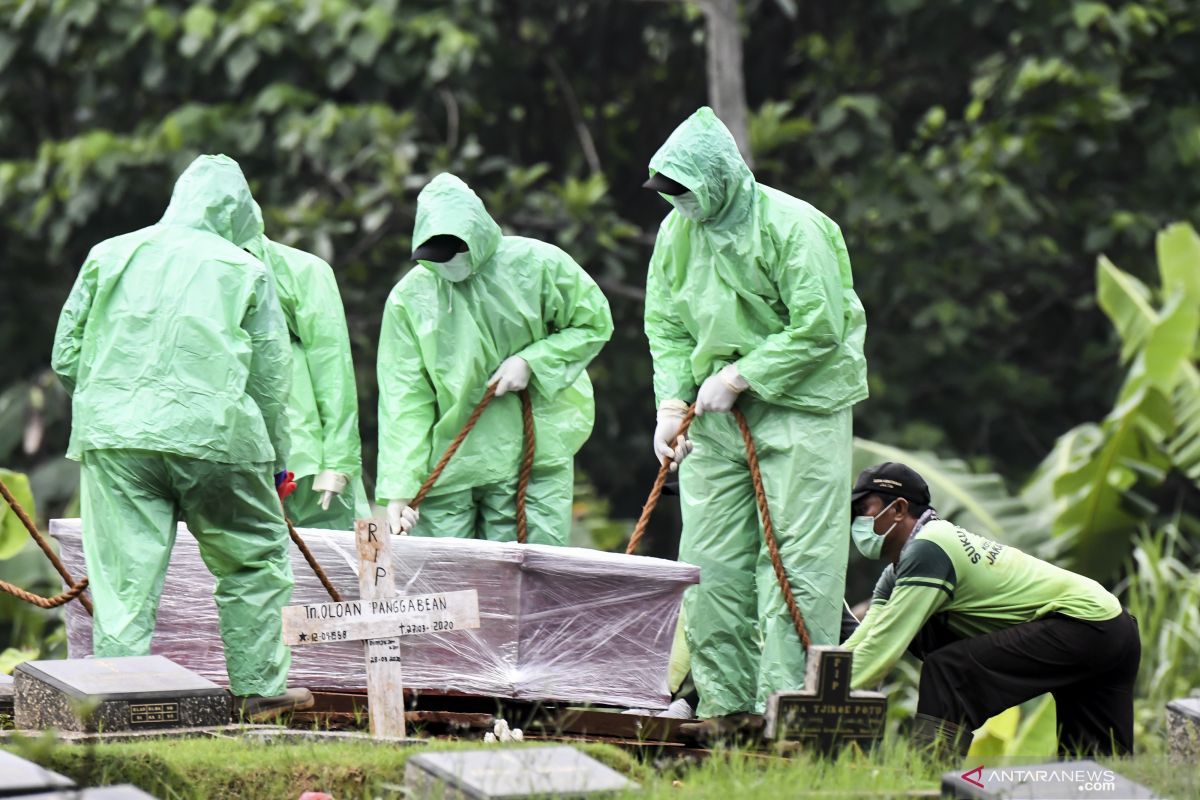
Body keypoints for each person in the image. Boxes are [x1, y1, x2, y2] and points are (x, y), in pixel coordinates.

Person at [51, 154, 310, 718]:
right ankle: (258, 691)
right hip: (217, 437)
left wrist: (115, 404)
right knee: (252, 561)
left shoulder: (111, 253)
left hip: (116, 438)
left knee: (123, 580)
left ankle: (114, 701)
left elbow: (66, 356)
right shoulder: (245, 269)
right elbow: (269, 382)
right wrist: (277, 464)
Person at [643, 106, 868, 721]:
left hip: (802, 407)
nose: (678, 203)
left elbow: (820, 325)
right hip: (715, 419)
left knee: (796, 564)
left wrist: (746, 374)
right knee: (711, 563)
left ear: (719, 178)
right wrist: (672, 401)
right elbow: (665, 322)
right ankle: (724, 710)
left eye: (685, 190)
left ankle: (789, 711)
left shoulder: (795, 226)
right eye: (670, 193)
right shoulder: (675, 233)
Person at [377, 173, 613, 544]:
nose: (445, 263)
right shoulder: (410, 298)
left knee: (530, 579)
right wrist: (399, 487)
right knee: (444, 585)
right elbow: (404, 397)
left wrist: (533, 361)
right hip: (449, 464)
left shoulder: (538, 265)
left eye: (451, 251)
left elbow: (592, 323)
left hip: (531, 458)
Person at [844, 462, 1140, 757]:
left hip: (1083, 624)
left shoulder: (930, 549)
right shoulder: (899, 571)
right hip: (1112, 625)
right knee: (1095, 767)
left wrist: (812, 706)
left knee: (949, 672)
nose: (857, 521)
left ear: (898, 508)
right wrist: (818, 685)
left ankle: (928, 778)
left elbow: (883, 647)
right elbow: (866, 639)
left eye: (864, 510)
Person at [248, 233, 368, 529]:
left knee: (345, 558)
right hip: (241, 454)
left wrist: (339, 462)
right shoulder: (193, 268)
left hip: (307, 459)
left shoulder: (303, 270)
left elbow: (333, 368)